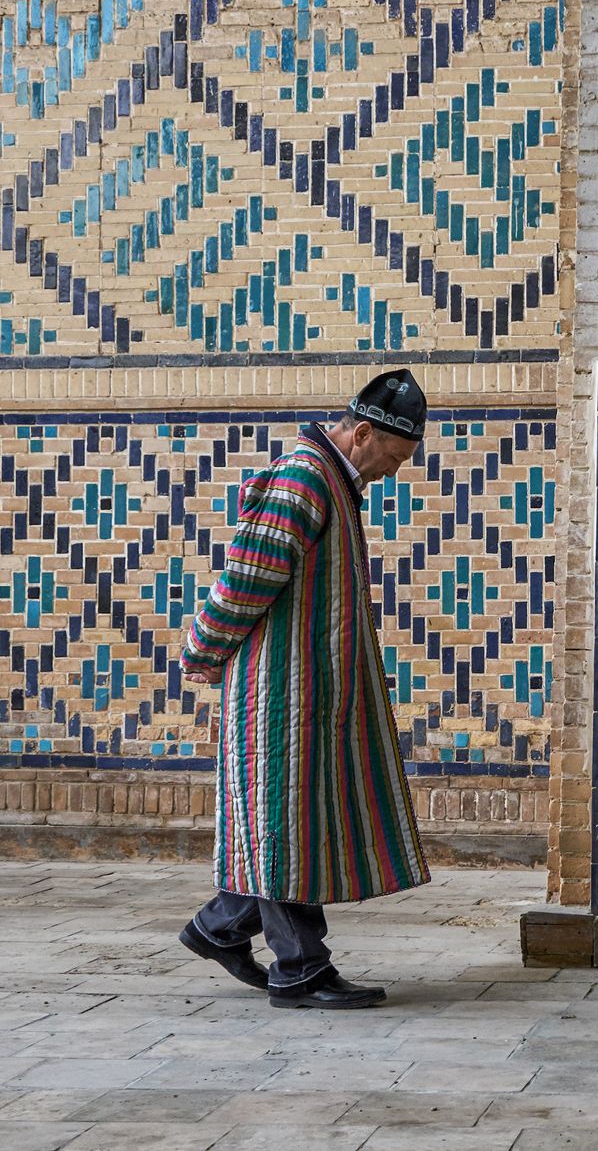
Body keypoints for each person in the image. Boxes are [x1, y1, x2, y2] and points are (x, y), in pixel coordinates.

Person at [177, 369, 431, 1010]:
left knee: (289, 823)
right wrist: (204, 649)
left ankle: (220, 927)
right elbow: (248, 576)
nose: (394, 472)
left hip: (306, 690)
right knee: (287, 824)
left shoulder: (330, 479)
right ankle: (301, 969)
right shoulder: (305, 477)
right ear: (363, 432)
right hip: (279, 693)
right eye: (394, 457)